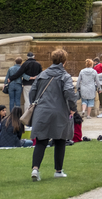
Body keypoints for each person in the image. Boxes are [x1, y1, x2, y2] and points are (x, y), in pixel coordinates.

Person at [29, 48, 78, 180]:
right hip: (59, 111)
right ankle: (58, 171)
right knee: (60, 140)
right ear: (64, 62)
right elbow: (69, 92)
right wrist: (73, 107)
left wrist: (36, 104)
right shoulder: (65, 76)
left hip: (41, 111)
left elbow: (32, 92)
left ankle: (35, 169)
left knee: (41, 141)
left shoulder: (42, 75)